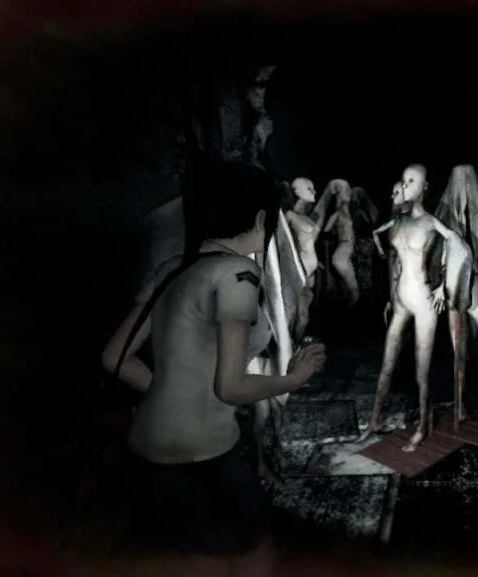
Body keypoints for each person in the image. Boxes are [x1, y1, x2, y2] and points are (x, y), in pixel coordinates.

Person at [101, 160, 326, 575]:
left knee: (199, 556)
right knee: (252, 560)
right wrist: (293, 378)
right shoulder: (238, 272)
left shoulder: (172, 269)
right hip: (204, 456)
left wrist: (175, 395)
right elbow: (230, 386)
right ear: (260, 218)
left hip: (147, 451)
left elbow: (114, 358)